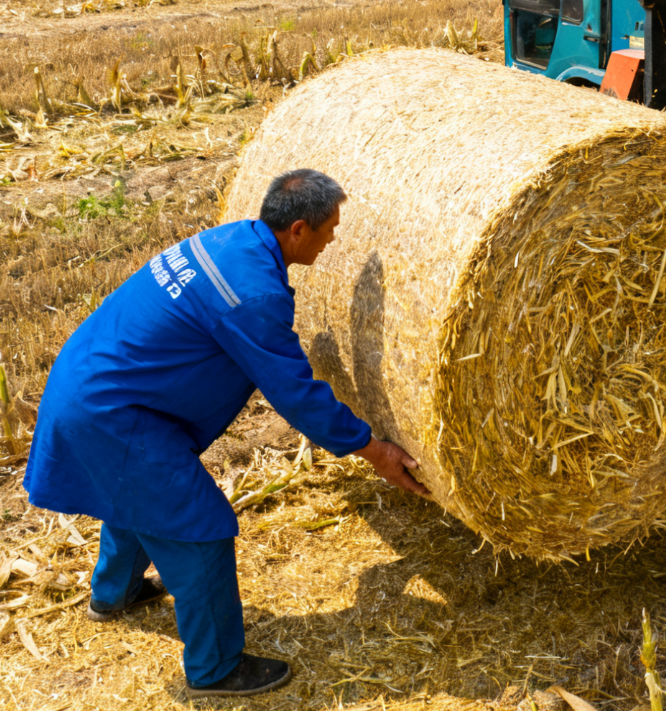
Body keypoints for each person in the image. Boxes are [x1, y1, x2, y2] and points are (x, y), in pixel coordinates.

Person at [24, 168, 429, 698]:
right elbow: (294, 392)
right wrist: (371, 449)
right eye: (330, 228)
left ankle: (114, 594)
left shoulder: (234, 240)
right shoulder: (254, 294)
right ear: (300, 229)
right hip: (112, 412)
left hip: (91, 378)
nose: (334, 240)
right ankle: (216, 669)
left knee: (141, 496)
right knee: (198, 525)